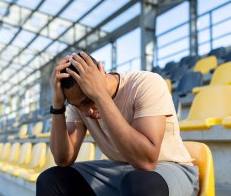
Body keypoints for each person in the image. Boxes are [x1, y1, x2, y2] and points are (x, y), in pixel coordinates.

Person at [36, 52, 199, 196]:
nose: (86, 111)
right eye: (77, 105)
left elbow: (146, 161)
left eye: (87, 100)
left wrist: (100, 97)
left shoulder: (145, 83)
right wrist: (57, 105)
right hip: (119, 170)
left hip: (167, 169)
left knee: (139, 186)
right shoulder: (78, 102)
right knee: (50, 180)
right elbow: (63, 159)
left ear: (101, 72)